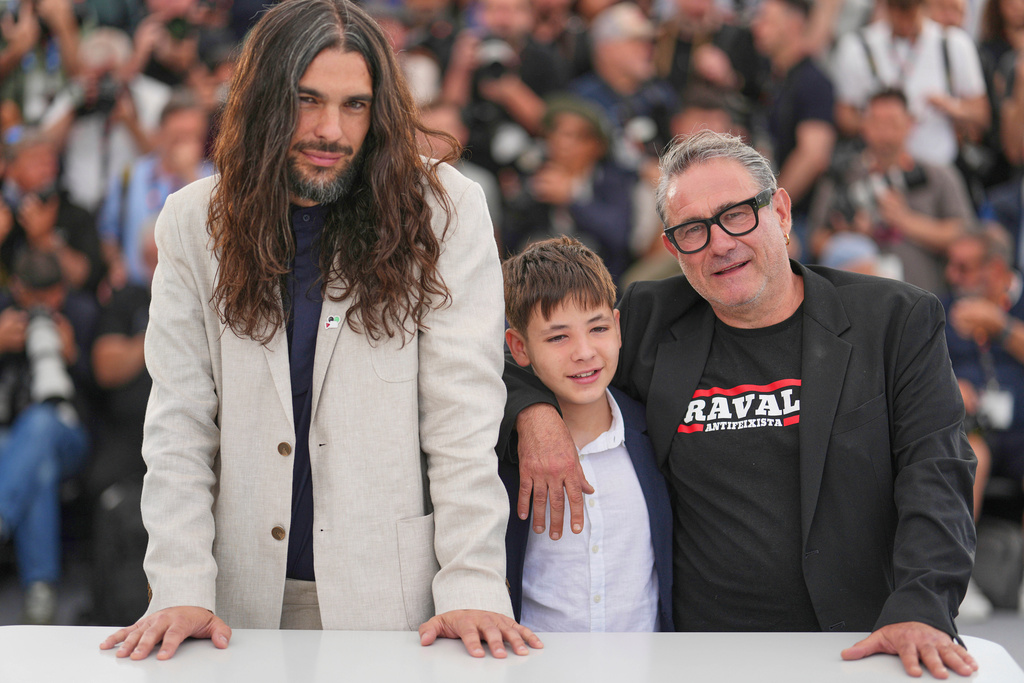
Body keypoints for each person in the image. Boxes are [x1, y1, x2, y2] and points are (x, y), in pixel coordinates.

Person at [100, 0, 540, 662]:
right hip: (236, 603)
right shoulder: (194, 222)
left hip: (395, 603)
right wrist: (179, 583)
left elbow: (462, 416)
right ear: (264, 101)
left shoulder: (444, 211)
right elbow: (179, 423)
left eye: (354, 105)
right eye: (307, 100)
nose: (330, 129)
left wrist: (474, 580)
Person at [501, 130, 978, 678]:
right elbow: (524, 353)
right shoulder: (648, 318)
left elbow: (935, 471)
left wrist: (923, 607)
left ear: (780, 211)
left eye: (736, 215)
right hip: (700, 656)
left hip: (855, 645)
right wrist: (533, 416)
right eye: (693, 230)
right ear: (673, 246)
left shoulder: (893, 319)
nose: (719, 244)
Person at [499, 236, 673, 632]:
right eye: (558, 336)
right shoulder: (499, 451)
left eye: (597, 328)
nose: (584, 351)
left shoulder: (656, 430)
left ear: (617, 327)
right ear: (519, 348)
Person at [0, 248, 96, 625]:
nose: (45, 305)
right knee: (39, 470)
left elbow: (108, 400)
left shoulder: (82, 313)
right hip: (14, 442)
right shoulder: (5, 311)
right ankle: (40, 590)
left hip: (70, 435)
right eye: (36, 298)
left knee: (41, 423)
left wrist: (75, 359)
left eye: (54, 295)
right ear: (18, 290)